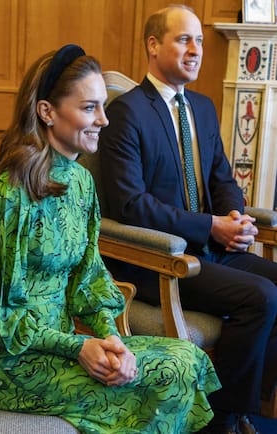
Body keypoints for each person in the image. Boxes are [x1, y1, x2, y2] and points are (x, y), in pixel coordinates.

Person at [0, 44, 220, 434]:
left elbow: (89, 279)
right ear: (47, 112)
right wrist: (79, 348)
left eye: (102, 106)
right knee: (165, 375)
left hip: (66, 345)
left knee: (187, 358)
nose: (103, 119)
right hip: (8, 363)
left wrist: (110, 338)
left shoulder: (82, 182)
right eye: (89, 108)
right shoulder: (11, 196)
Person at [99, 5, 277, 434]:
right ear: (153, 44)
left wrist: (234, 215)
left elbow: (221, 179)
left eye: (198, 40)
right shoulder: (126, 112)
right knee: (262, 297)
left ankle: (244, 407)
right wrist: (209, 227)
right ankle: (224, 420)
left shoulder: (202, 106)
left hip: (208, 250)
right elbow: (129, 205)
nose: (195, 49)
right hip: (156, 259)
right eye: (183, 39)